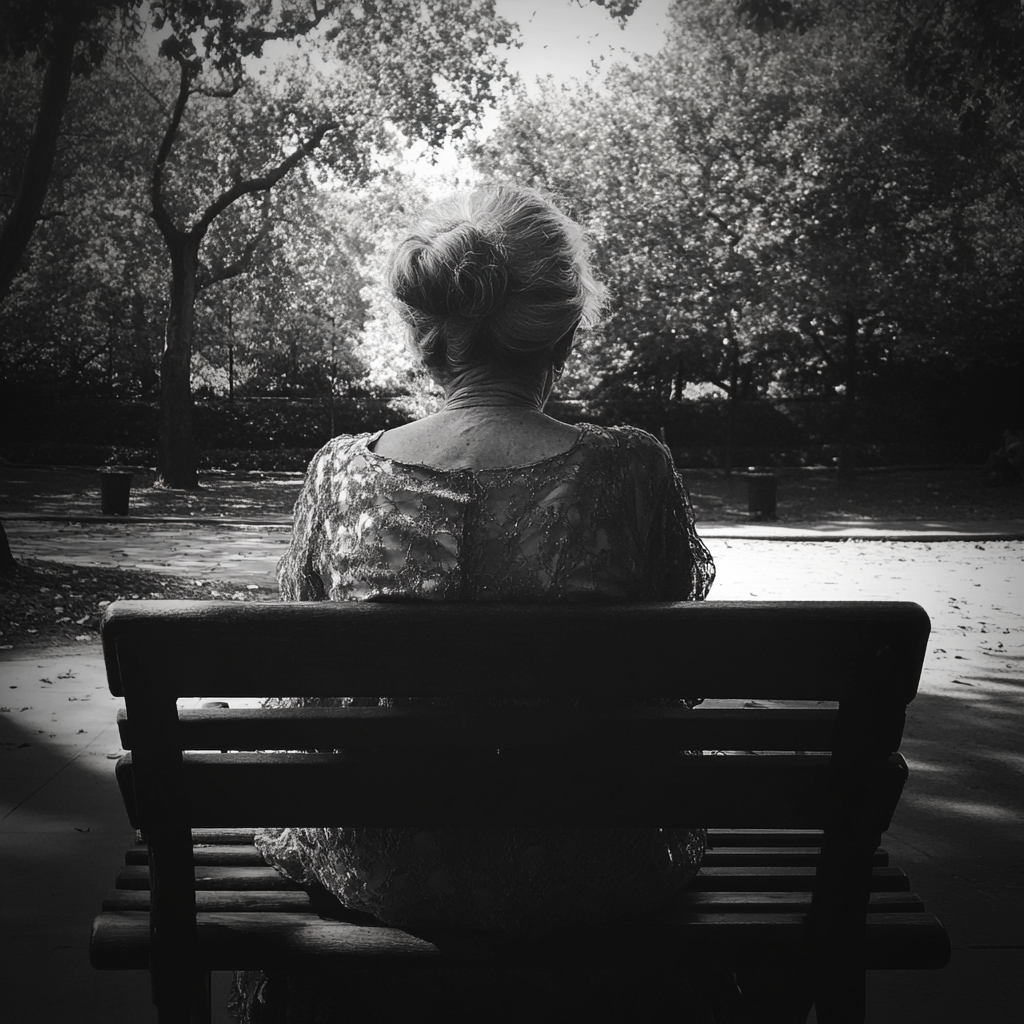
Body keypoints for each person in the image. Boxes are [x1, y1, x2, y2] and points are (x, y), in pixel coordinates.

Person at [230, 184, 717, 1023]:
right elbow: (675, 678)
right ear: (565, 327)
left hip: (387, 864)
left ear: (425, 334)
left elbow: (309, 687)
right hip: (597, 864)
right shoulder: (632, 471)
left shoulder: (342, 473)